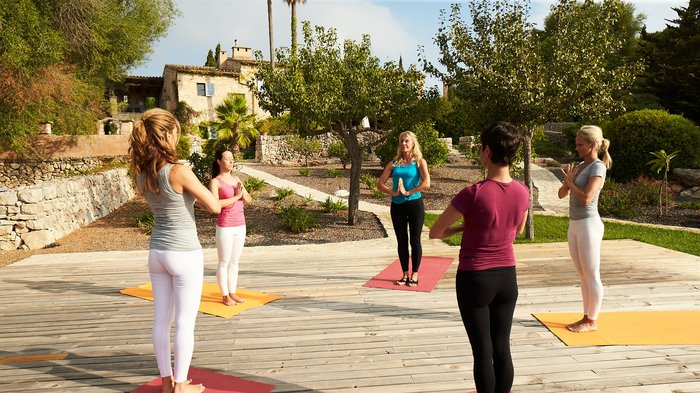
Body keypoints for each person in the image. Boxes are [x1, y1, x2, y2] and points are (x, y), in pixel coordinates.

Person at [429, 121, 529, 393]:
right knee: (501, 348)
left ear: (486, 151)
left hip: (476, 278)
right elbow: (517, 231)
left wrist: (463, 227)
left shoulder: (473, 193)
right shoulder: (523, 191)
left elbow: (435, 232)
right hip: (507, 277)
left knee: (483, 352)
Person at [129, 108, 221, 393]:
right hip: (184, 253)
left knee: (161, 320)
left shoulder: (143, 174)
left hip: (157, 253)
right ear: (168, 134)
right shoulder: (179, 171)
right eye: (176, 131)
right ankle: (181, 386)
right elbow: (214, 206)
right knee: (184, 322)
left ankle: (167, 382)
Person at [558, 125, 612, 333]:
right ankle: (585, 316)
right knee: (582, 274)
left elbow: (586, 197)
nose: (577, 147)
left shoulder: (598, 167)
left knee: (591, 274)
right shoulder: (580, 166)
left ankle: (592, 321)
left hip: (589, 224)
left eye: (580, 144)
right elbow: (562, 194)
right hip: (575, 225)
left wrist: (572, 184)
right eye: (577, 144)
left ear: (591, 145)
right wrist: (567, 182)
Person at [377, 131, 431, 287]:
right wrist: (393, 192)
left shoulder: (420, 161)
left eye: (407, 141)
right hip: (397, 206)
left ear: (413, 143)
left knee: (415, 240)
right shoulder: (394, 163)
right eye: (401, 141)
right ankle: (404, 274)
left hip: (414, 205)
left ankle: (415, 274)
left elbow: (427, 183)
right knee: (402, 241)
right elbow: (380, 184)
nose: (403, 144)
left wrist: (409, 192)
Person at [209, 150, 252, 306]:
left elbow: (249, 199)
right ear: (219, 161)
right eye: (227, 159)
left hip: (240, 225)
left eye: (232, 159)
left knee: (235, 261)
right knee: (224, 261)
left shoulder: (237, 179)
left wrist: (242, 193)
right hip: (225, 226)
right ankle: (224, 295)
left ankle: (232, 292)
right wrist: (235, 197)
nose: (231, 162)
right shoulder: (216, 181)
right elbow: (215, 204)